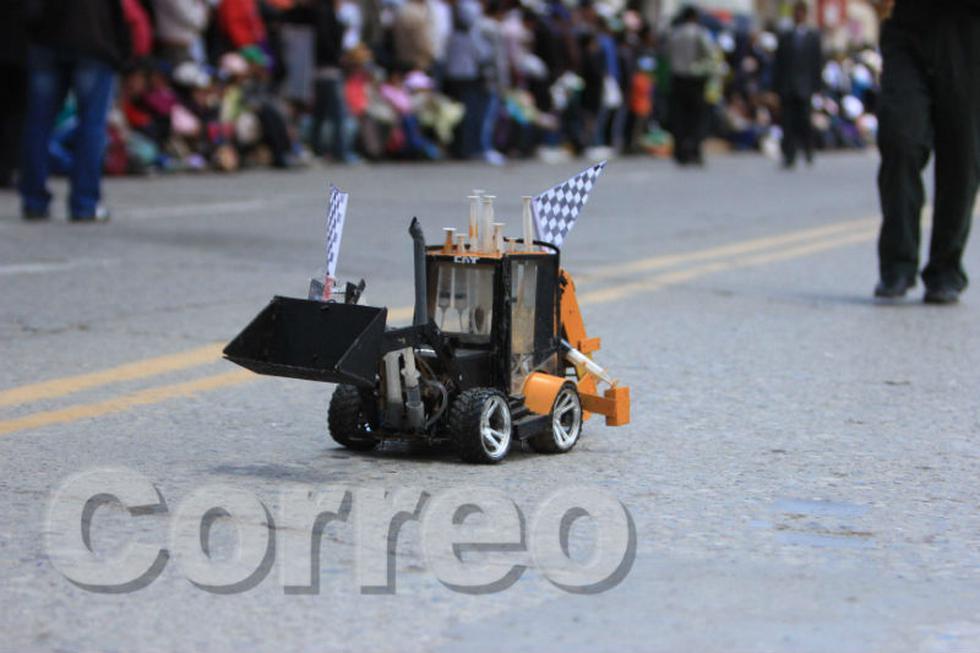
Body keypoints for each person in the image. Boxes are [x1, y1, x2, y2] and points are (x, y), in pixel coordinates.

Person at [873, 0, 980, 304]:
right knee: (900, 140)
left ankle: (946, 269)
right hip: (907, 30)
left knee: (961, 158)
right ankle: (897, 264)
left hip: (968, 37)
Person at [20, 0, 131, 222]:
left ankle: (34, 200)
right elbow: (118, 10)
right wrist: (123, 51)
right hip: (93, 41)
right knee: (91, 125)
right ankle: (84, 202)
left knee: (38, 124)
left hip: (47, 39)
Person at [773, 1, 821, 169]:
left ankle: (808, 149)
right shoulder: (785, 36)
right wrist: (776, 87)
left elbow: (817, 63)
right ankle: (789, 154)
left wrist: (816, 87)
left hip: (805, 87)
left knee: (804, 121)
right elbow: (778, 63)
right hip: (787, 86)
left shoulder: (813, 37)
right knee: (787, 122)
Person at [667, 5, 714, 166]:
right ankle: (694, 150)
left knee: (679, 118)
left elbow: (667, 56)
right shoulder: (700, 33)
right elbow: (709, 55)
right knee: (696, 119)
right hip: (695, 80)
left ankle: (680, 152)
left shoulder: (674, 34)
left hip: (677, 79)